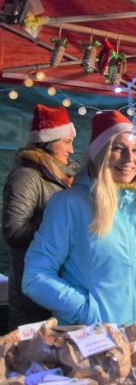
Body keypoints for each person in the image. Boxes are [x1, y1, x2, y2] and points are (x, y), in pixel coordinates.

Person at [22, 110, 136, 326]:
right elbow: (35, 276)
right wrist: (86, 312)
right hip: (97, 341)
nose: (130, 159)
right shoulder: (69, 204)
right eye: (118, 149)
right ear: (99, 153)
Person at [2, 104, 79, 331]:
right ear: (46, 141)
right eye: (66, 141)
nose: (72, 149)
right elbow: (14, 233)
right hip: (33, 289)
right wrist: (59, 220)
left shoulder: (65, 174)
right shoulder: (27, 176)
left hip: (61, 282)